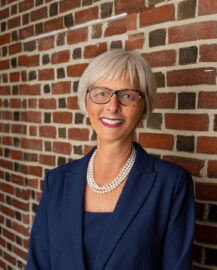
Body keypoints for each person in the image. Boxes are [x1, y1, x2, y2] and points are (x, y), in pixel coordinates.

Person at [26, 49, 195, 270]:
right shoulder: (56, 182)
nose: (113, 106)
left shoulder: (171, 184)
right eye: (101, 93)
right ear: (86, 102)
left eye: (127, 95)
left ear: (144, 107)